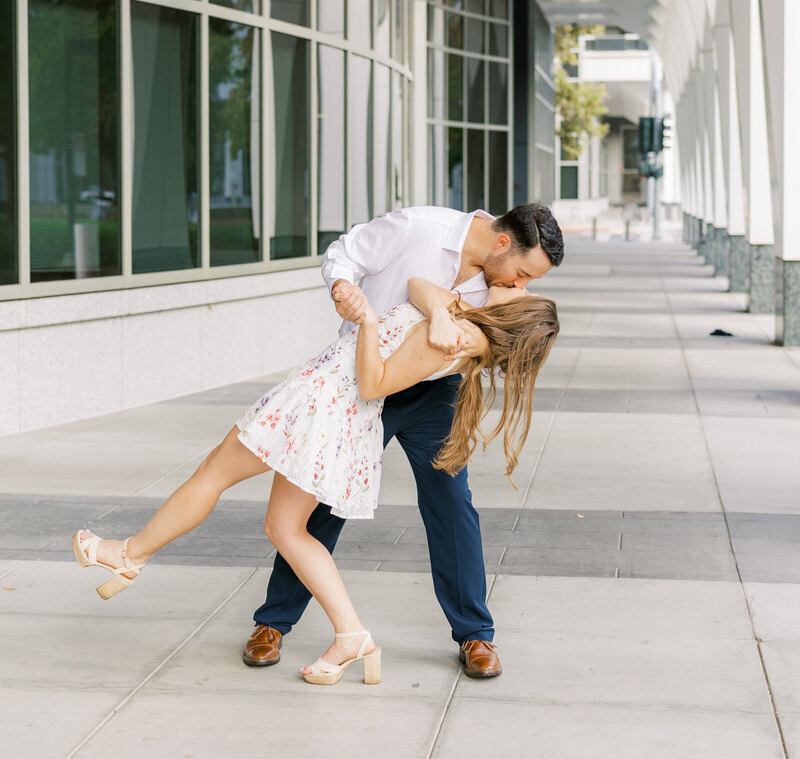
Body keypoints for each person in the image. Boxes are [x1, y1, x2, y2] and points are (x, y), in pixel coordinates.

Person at [72, 276, 559, 686]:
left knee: (213, 475)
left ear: (514, 317)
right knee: (286, 530)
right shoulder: (458, 318)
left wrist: (369, 321)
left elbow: (374, 384)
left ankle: (129, 555)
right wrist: (438, 308)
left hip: (322, 409)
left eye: (523, 291)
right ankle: (351, 636)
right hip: (326, 412)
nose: (518, 283)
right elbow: (417, 284)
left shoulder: (450, 338)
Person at [242, 202, 564, 680]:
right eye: (521, 274)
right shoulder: (419, 229)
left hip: (436, 391)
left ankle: (476, 633)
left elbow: (502, 335)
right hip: (363, 382)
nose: (522, 286)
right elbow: (344, 253)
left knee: (452, 503)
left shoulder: (500, 287)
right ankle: (273, 623)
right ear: (502, 243)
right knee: (325, 504)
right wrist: (343, 287)